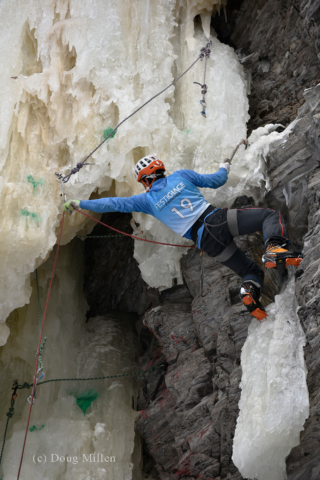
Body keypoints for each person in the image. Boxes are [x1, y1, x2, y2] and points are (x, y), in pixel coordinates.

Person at [63, 155, 302, 321]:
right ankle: (275, 249)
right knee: (269, 217)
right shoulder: (181, 176)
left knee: (251, 272)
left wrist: (79, 203)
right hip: (217, 220)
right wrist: (224, 167)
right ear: (160, 168)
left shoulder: (146, 201)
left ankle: (250, 294)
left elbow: (113, 203)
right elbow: (217, 180)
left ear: (145, 180)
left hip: (206, 242)